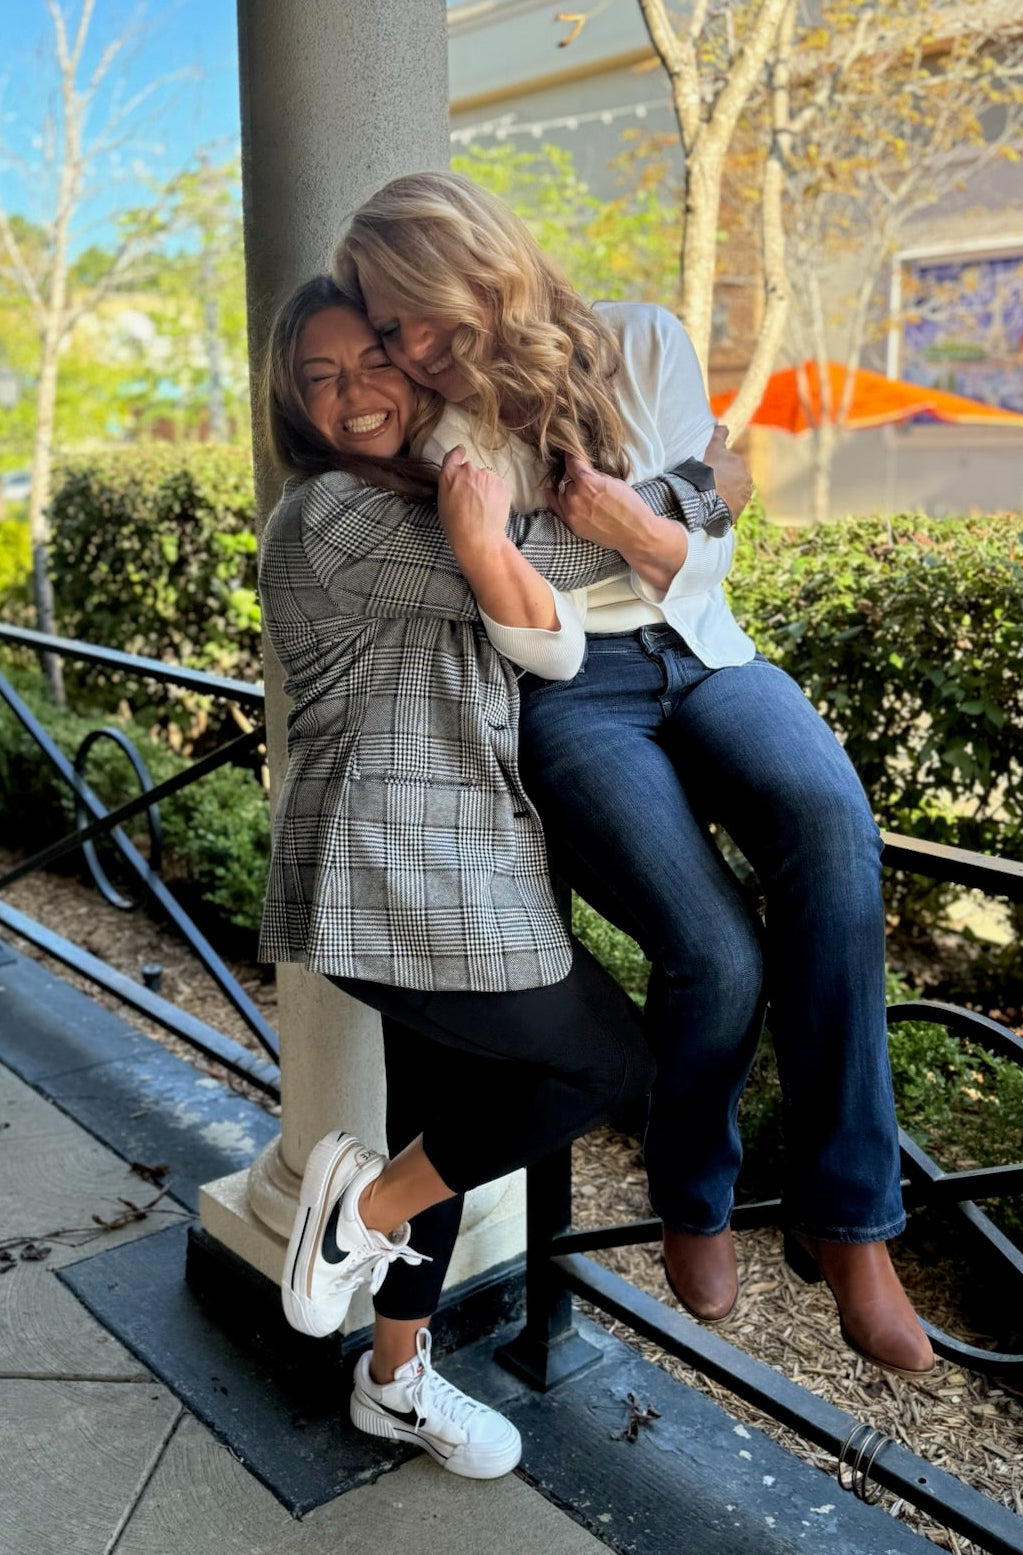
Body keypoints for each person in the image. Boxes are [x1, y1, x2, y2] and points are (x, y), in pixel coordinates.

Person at [333, 171, 934, 1374]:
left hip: (705, 652)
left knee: (828, 820)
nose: (413, 346)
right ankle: (693, 1192)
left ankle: (852, 1220)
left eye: (418, 313)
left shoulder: (645, 340)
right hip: (574, 688)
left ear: (479, 265)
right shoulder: (444, 434)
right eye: (393, 328)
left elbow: (696, 551)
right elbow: (539, 581)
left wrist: (654, 527)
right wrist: (677, 506)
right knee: (711, 953)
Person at [258, 276, 737, 1479]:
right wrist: (708, 486)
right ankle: (358, 1213)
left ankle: (395, 1377)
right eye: (318, 378)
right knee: (603, 1058)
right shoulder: (334, 514)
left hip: (469, 864)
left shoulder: (438, 493)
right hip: (395, 872)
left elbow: (549, 628)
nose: (352, 392)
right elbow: (563, 550)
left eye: (373, 360)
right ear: (293, 406)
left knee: (450, 1128)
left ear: (418, 370)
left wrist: (494, 541)